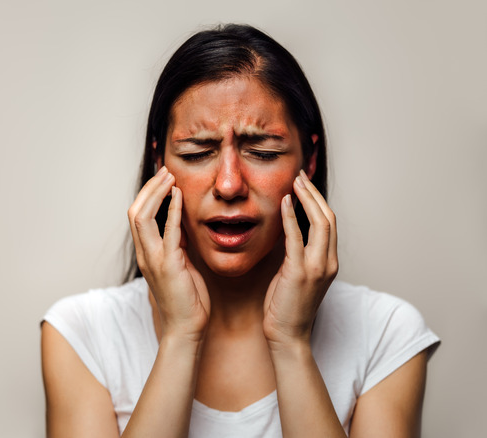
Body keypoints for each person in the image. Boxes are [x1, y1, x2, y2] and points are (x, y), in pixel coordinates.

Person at [40, 24, 439, 437]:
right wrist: (179, 336)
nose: (229, 184)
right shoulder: (82, 334)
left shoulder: (387, 334)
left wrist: (291, 342)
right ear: (160, 163)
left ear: (310, 160)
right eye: (197, 152)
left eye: (263, 152)